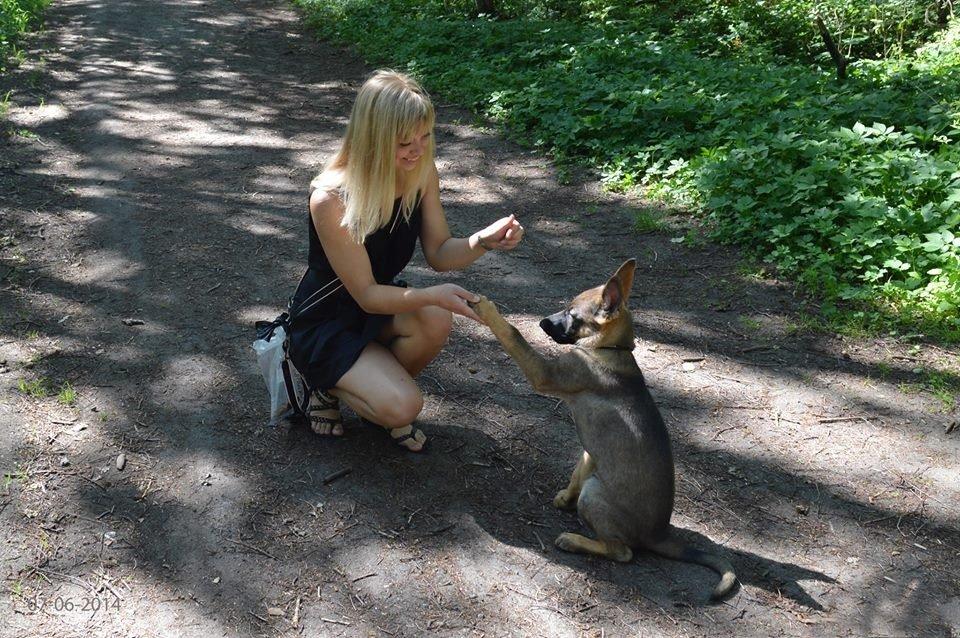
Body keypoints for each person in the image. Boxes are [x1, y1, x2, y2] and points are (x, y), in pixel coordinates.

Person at [286, 69, 524, 452]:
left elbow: (440, 253)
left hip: (375, 308)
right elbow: (365, 294)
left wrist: (484, 241)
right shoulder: (331, 197)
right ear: (373, 138)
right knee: (406, 405)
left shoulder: (420, 171)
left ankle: (374, 395)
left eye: (425, 136)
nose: (417, 149)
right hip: (327, 319)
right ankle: (325, 383)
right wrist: (431, 294)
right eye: (403, 142)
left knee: (434, 317)